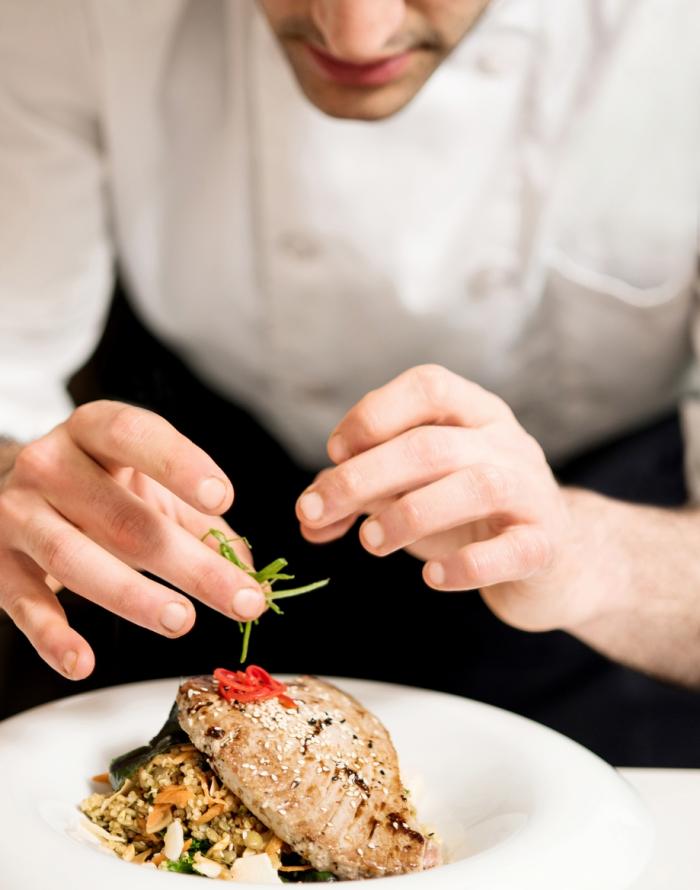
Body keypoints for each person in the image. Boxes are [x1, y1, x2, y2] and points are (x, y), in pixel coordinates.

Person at [1, 0, 699, 764]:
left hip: (600, 589)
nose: (356, 36)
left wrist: (590, 556)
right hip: (187, 535)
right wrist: (18, 474)